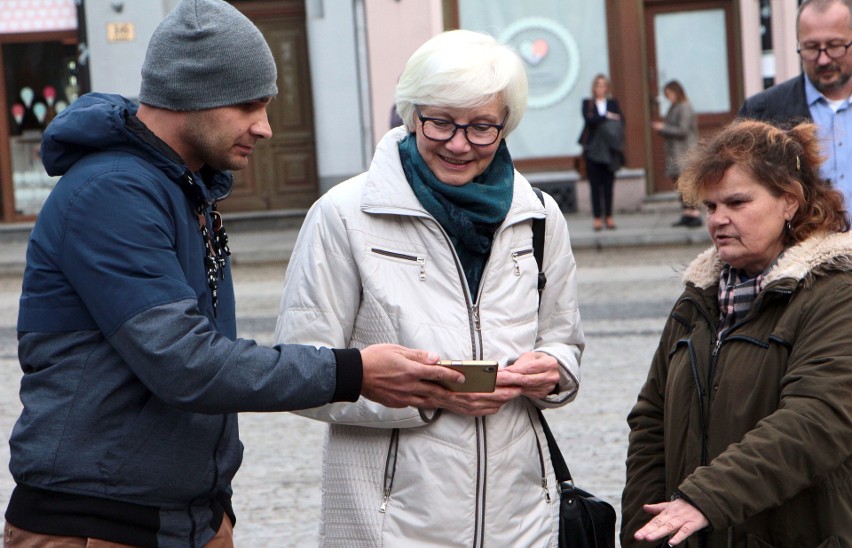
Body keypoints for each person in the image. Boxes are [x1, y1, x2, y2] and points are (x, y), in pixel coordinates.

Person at [3, 1, 463, 546]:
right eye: (248, 106)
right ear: (189, 94)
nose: (265, 128)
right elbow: (185, 363)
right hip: (98, 523)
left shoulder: (180, 188)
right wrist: (354, 372)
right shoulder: (113, 191)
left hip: (188, 515)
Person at [274, 29, 585, 546]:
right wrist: (414, 394)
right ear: (410, 113)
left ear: (506, 126)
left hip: (520, 523)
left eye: (482, 127)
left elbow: (565, 342)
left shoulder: (540, 217)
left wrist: (553, 372)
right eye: (440, 122)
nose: (460, 143)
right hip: (390, 528)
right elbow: (299, 369)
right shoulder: (344, 215)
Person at [621, 119, 852, 547]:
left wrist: (705, 499)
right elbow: (651, 421)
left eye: (737, 202)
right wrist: (642, 533)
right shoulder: (699, 299)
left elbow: (816, 419)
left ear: (789, 201)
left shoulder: (836, 293)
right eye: (710, 207)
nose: (719, 220)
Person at [738, 0, 852, 207]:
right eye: (811, 47)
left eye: (835, 46)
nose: (823, 59)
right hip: (801, 239)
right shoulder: (761, 112)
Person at [651, 80, 701, 228]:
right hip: (676, 152)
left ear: (676, 92)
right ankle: (687, 213)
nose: (668, 97)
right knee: (679, 184)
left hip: (684, 152)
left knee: (686, 183)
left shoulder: (684, 107)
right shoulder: (675, 107)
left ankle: (694, 214)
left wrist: (663, 128)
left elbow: (683, 130)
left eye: (669, 94)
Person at [579, 73, 624, 231]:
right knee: (595, 185)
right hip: (593, 149)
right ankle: (597, 217)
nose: (601, 88)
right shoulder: (588, 103)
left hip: (609, 150)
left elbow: (620, 121)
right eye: (598, 85)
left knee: (608, 185)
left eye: (603, 85)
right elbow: (589, 120)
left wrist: (604, 117)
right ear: (594, 87)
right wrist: (605, 116)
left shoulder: (612, 103)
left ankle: (609, 216)